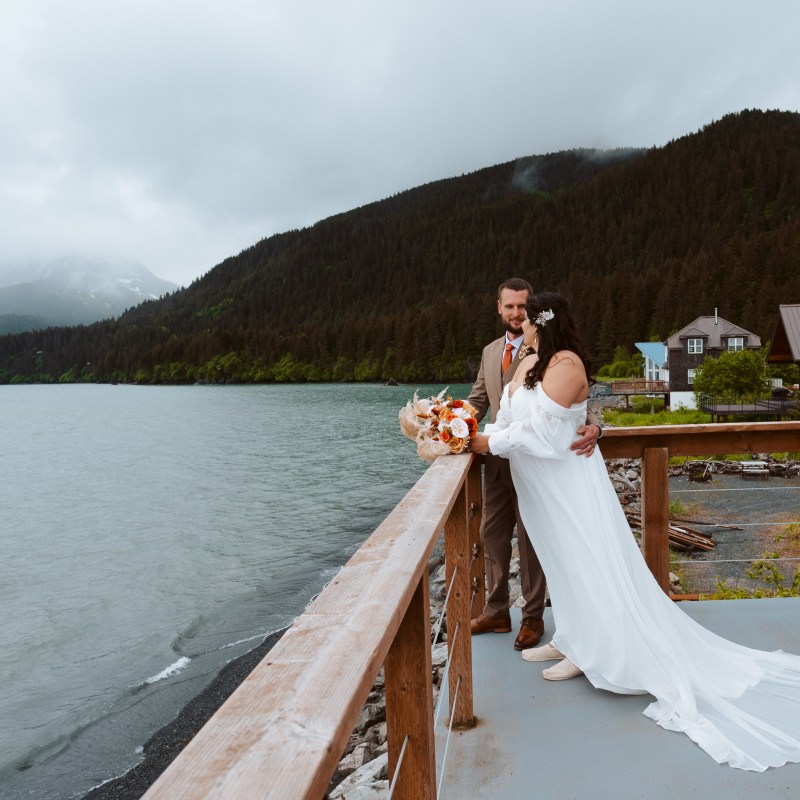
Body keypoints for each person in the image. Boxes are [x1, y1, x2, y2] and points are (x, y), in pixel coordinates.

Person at [471, 292, 800, 771]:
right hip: (537, 490)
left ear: (544, 322)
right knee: (560, 562)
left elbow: (541, 435)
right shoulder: (527, 363)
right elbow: (505, 417)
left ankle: (593, 650)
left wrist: (483, 442)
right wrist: (475, 431)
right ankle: (571, 637)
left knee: (586, 562)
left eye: (529, 320)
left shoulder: (568, 364)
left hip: (568, 484)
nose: (520, 325)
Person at [467, 279, 601, 650]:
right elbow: (479, 400)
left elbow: (564, 411)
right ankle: (495, 610)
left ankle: (533, 617)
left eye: (522, 309)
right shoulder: (493, 352)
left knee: (535, 540)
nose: (516, 314)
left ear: (534, 314)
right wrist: (450, 428)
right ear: (499, 307)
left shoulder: (560, 358)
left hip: (541, 466)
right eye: (509, 307)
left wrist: (597, 426)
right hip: (499, 464)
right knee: (491, 536)